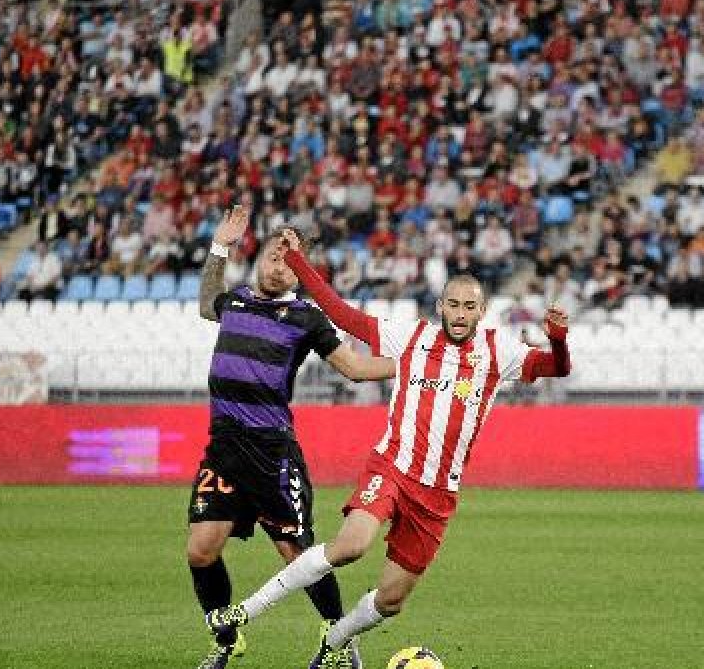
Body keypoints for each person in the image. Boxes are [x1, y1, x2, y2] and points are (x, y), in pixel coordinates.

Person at [198, 229, 573, 668]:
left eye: (469, 306)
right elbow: (340, 313)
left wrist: (559, 339)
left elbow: (556, 368)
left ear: (482, 311)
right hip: (392, 465)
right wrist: (299, 262)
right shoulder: (411, 338)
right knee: (350, 545)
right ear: (440, 306)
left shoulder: (498, 351)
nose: (459, 314)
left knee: (392, 599)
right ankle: (245, 612)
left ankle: (334, 641)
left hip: (437, 492)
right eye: (452, 304)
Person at [192, 207, 396, 669]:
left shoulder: (306, 318)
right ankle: (226, 640)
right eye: (271, 256)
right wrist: (219, 247)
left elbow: (357, 368)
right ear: (260, 259)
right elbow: (208, 303)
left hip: (270, 453)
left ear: (299, 272)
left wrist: (418, 364)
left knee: (297, 553)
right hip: (222, 448)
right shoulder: (236, 301)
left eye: (288, 261)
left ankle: (339, 639)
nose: (276, 265)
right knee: (201, 551)